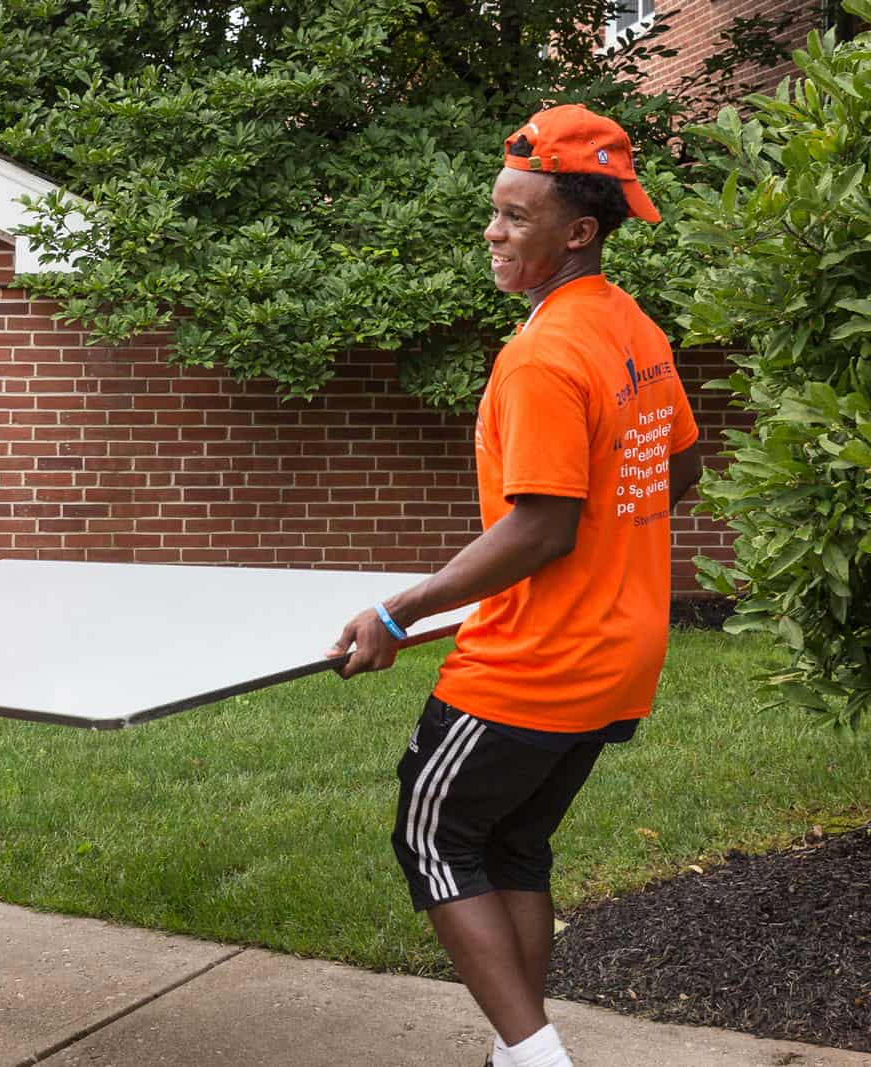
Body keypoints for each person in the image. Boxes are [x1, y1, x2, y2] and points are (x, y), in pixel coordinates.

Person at [327, 105, 703, 1067]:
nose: (493, 232)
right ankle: (518, 1052)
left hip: (537, 658)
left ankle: (537, 1058)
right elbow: (680, 468)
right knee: (513, 846)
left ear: (578, 231)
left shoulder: (540, 354)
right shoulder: (631, 328)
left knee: (435, 832)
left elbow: (542, 525)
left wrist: (395, 609)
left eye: (516, 217)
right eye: (494, 212)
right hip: (623, 648)